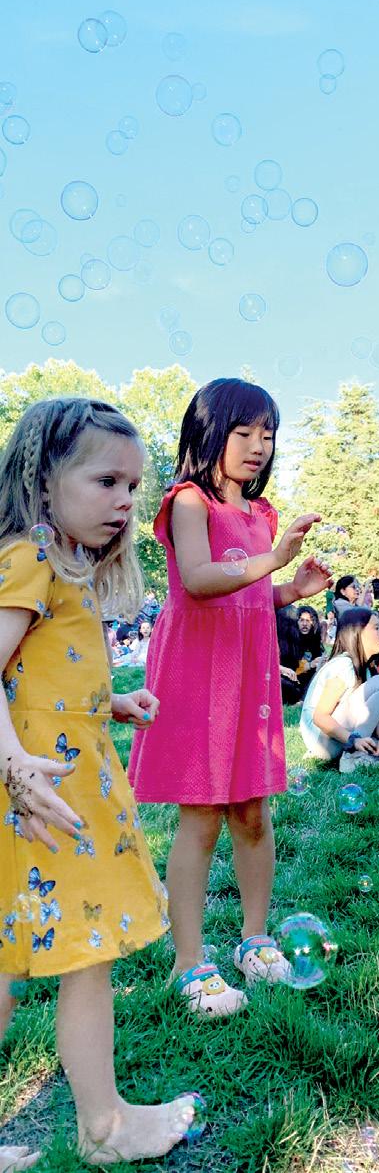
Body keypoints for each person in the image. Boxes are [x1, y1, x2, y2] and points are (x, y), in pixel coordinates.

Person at [0, 398, 201, 1168]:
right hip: (39, 798)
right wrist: (16, 767)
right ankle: (105, 1128)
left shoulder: (62, 565)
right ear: (45, 478)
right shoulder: (31, 559)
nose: (125, 501)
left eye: (133, 486)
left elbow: (31, 673)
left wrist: (109, 701)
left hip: (52, 788)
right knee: (84, 956)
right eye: (107, 481)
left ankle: (103, 1124)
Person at [128, 378, 331, 1018]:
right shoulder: (189, 501)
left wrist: (291, 590)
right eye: (244, 433)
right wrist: (273, 560)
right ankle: (189, 963)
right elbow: (197, 579)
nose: (258, 446)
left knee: (251, 811)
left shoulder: (260, 514)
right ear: (208, 434)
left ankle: (254, 938)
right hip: (197, 672)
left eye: (267, 435)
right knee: (202, 816)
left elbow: (249, 594)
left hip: (248, 676)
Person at [300, 608, 379, 773]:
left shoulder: (366, 669)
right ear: (358, 633)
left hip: (346, 736)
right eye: (376, 628)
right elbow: (320, 717)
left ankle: (361, 756)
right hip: (323, 740)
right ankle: (352, 757)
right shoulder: (343, 665)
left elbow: (370, 712)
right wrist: (353, 740)